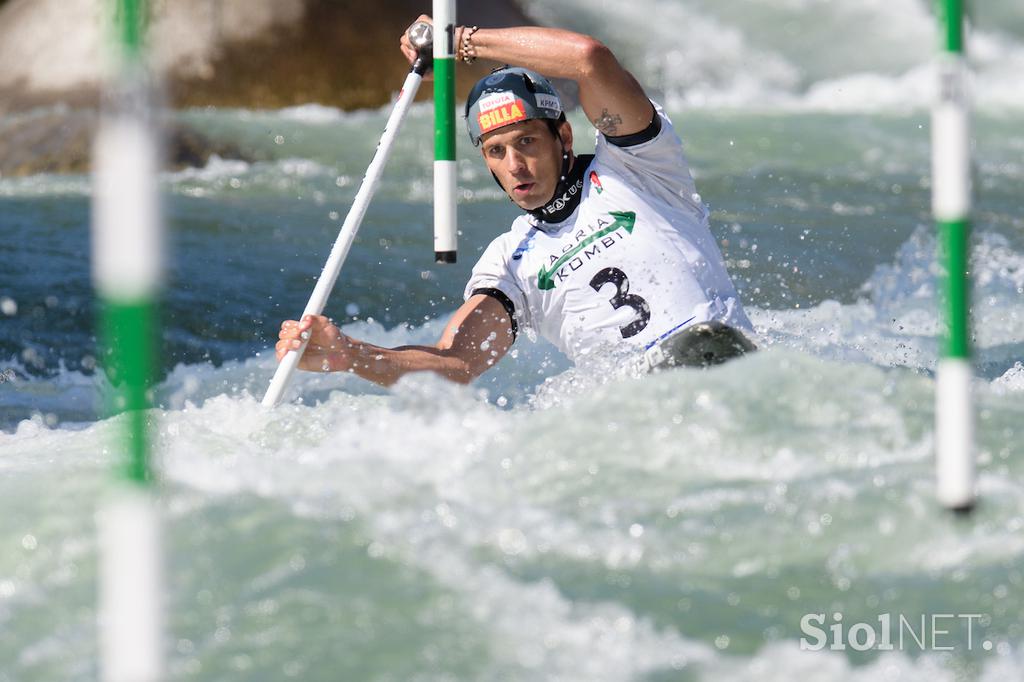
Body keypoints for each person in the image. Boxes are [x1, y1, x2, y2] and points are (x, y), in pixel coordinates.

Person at [275, 17, 753, 387]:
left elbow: (589, 58)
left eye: (526, 142)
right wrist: (353, 356)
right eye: (496, 151)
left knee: (702, 347)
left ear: (562, 135)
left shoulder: (640, 166)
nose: (515, 165)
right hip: (640, 405)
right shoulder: (510, 262)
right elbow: (457, 364)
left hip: (719, 356)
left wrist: (460, 40)